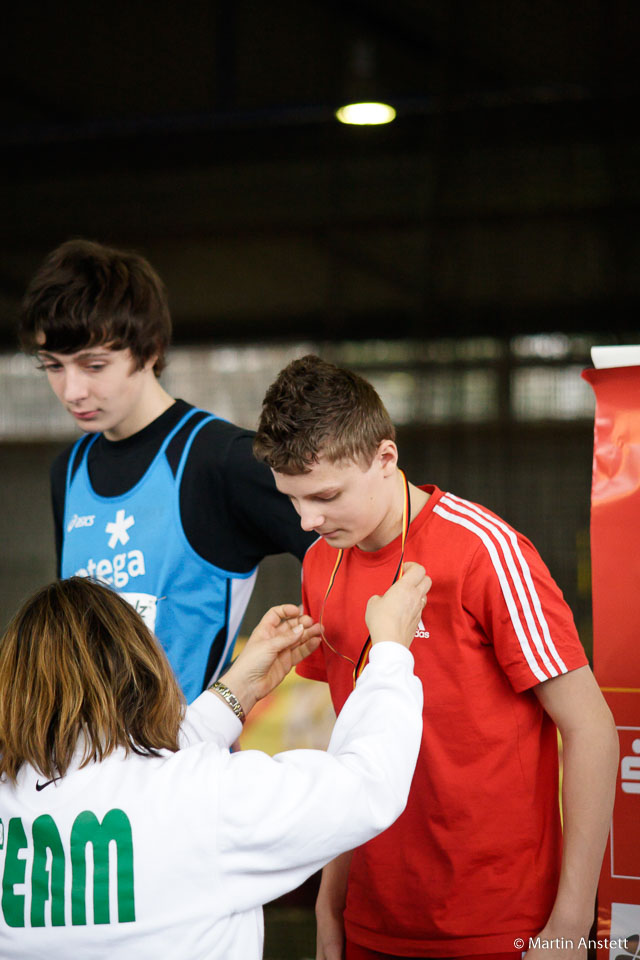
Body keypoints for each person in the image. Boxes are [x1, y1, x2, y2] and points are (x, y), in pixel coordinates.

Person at [253, 354, 619, 960]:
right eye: (292, 500)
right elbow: (353, 735)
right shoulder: (322, 561)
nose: (308, 520)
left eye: (325, 496)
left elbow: (592, 730)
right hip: (374, 917)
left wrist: (570, 922)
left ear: (385, 458)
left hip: (501, 921)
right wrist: (330, 898)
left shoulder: (487, 553)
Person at [0, 567, 429, 958]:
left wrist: (239, 688)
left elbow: (125, 770)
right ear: (140, 670)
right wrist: (390, 653)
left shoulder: (11, 795)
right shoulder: (204, 799)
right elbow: (369, 784)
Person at [18, 239, 313, 702]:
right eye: (53, 366)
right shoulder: (68, 473)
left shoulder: (219, 459)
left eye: (93, 365)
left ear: (150, 350)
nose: (72, 390)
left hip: (189, 758)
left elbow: (346, 548)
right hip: (88, 765)